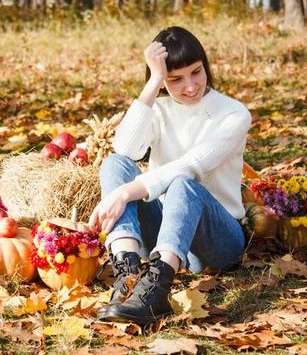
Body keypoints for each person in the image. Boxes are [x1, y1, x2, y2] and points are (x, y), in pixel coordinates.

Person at [89, 26, 252, 326]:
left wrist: (126, 192)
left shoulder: (234, 114)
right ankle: (128, 278)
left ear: (205, 66)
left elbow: (191, 164)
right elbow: (126, 148)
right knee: (115, 163)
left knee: (183, 183)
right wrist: (152, 84)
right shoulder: (159, 108)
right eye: (175, 79)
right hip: (166, 231)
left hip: (217, 240)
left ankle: (157, 290)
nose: (190, 86)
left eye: (196, 72)